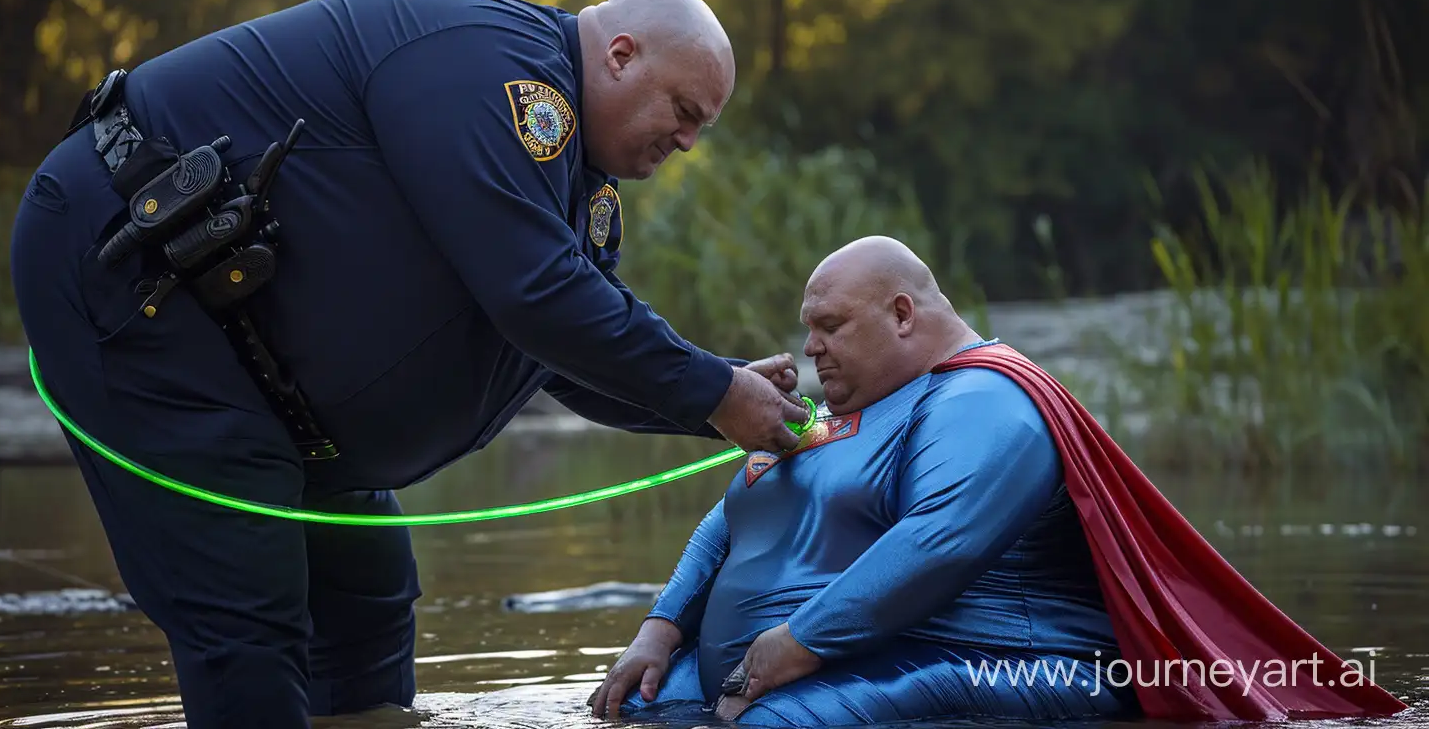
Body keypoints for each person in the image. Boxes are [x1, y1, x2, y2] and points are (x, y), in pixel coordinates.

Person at [10, 0, 809, 729]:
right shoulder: (489, 63)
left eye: (702, 124)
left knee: (366, 587)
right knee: (246, 606)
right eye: (683, 110)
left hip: (263, 366)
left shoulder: (582, 186)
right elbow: (537, 293)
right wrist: (715, 389)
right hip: (128, 265)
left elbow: (565, 351)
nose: (690, 141)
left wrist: (729, 405)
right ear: (621, 54)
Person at [590, 237, 1405, 725]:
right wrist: (661, 632)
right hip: (789, 667)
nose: (812, 352)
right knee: (628, 705)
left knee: (779, 724)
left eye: (831, 328)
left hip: (996, 666)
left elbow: (939, 542)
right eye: (809, 331)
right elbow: (730, 521)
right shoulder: (831, 415)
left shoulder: (989, 398)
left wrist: (786, 650)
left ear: (903, 315)